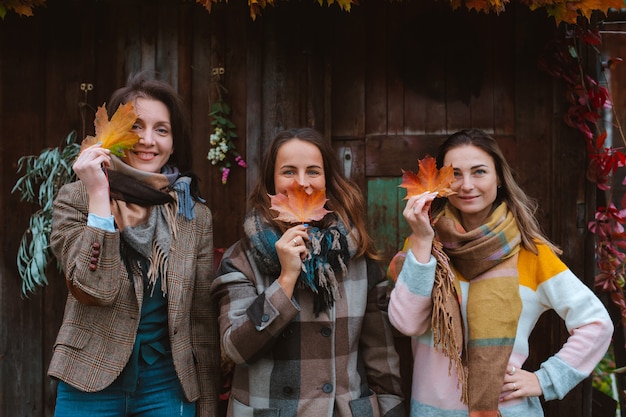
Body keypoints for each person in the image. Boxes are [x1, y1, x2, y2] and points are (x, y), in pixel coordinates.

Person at [387, 128, 613, 417]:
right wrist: (421, 239)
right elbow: (407, 323)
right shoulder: (423, 246)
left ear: (499, 180)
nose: (466, 184)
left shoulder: (531, 253)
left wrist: (546, 380)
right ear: (441, 183)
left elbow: (596, 323)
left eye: (479, 172)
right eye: (454, 174)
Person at [48, 72, 220, 417]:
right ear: (113, 135)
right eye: (136, 126)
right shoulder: (75, 199)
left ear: (174, 142)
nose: (147, 140)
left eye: (161, 129)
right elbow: (94, 287)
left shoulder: (193, 214)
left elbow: (200, 318)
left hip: (167, 381)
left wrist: (208, 405)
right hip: (89, 376)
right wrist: (99, 195)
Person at [210, 127, 406, 417]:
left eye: (313, 172)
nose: (302, 184)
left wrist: (391, 411)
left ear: (328, 180)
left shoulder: (356, 257)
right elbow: (236, 349)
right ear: (270, 182)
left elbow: (381, 360)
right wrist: (285, 280)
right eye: (288, 172)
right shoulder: (242, 258)